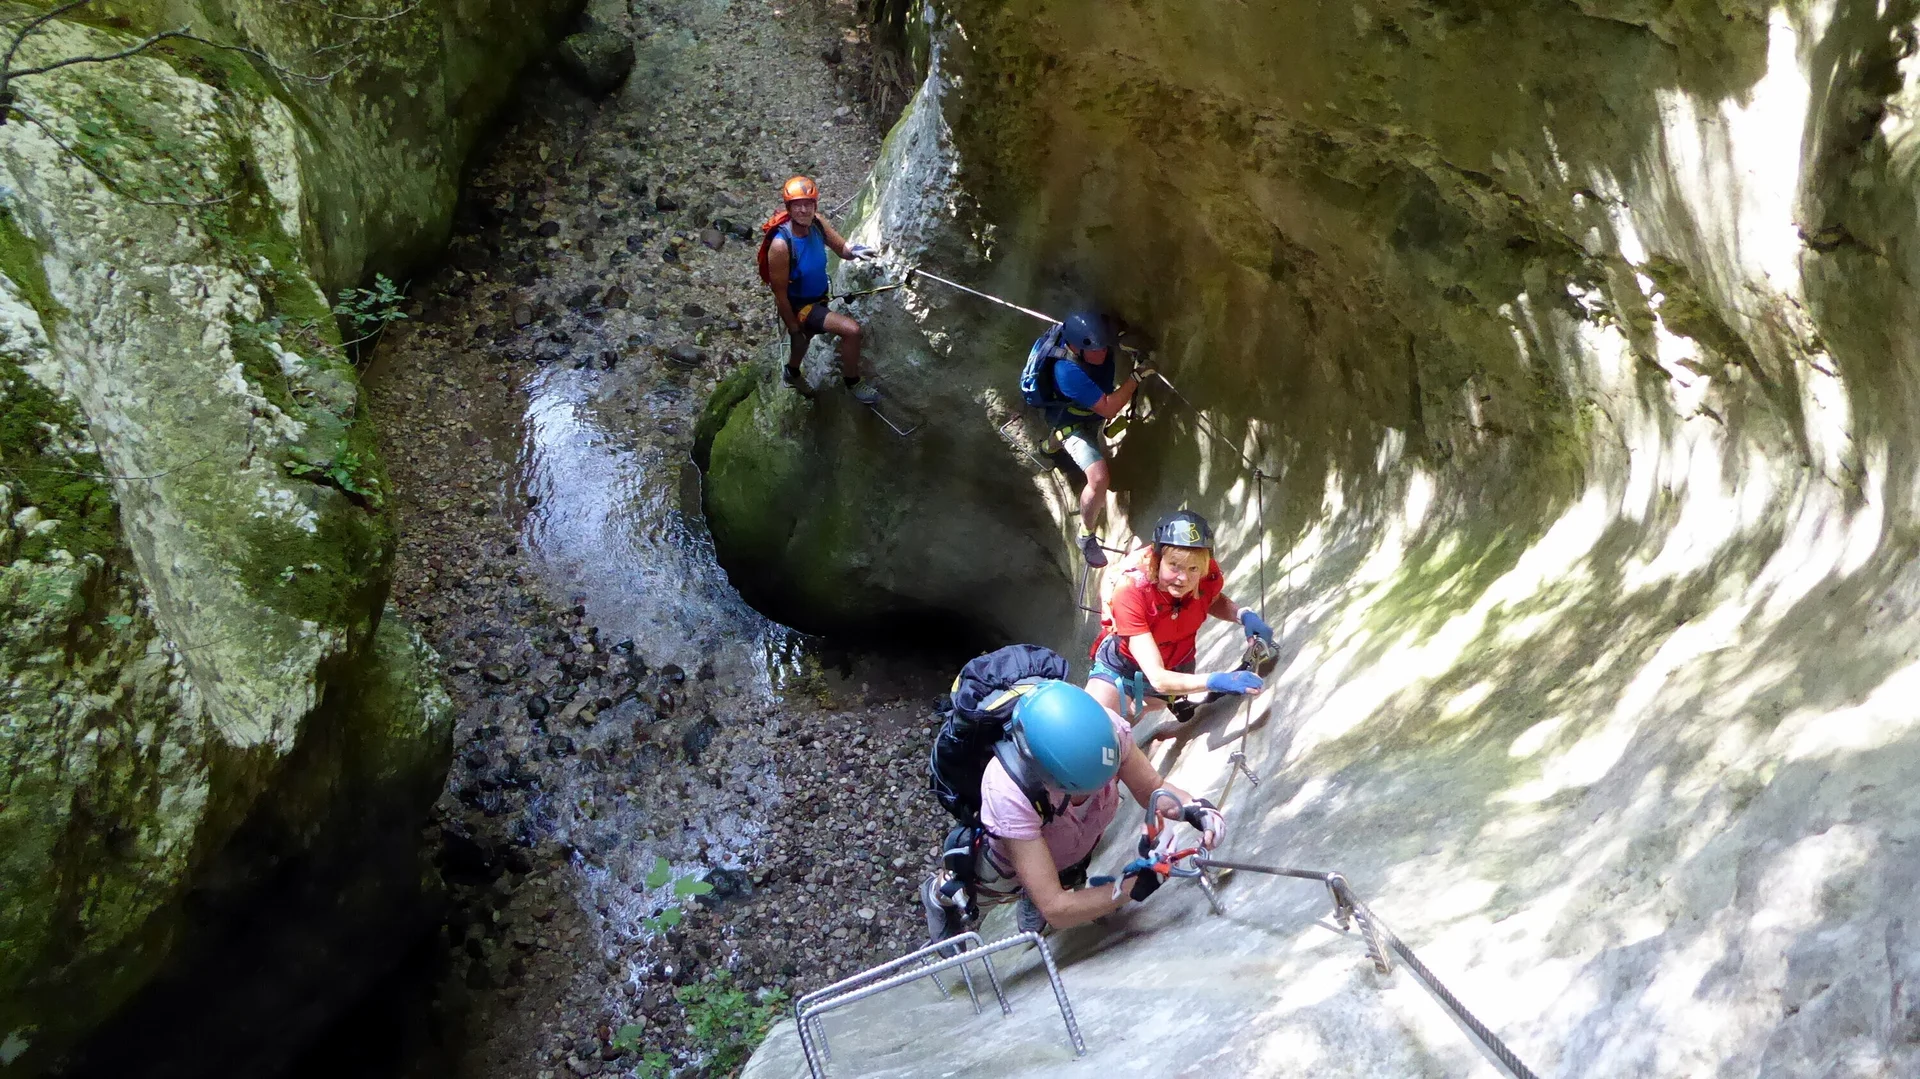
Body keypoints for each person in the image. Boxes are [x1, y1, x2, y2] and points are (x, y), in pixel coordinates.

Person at [920, 679, 1227, 941]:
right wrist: (1131, 888)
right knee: (978, 896)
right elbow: (1056, 909)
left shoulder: (1107, 731)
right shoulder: (1008, 788)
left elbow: (1152, 789)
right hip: (1007, 861)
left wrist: (1194, 808)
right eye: (1083, 790)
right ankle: (939, 896)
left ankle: (1034, 891)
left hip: (1071, 844)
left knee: (1059, 877)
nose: (1099, 790)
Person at [1086, 510, 1273, 740]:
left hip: (1177, 664)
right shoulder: (1131, 592)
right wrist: (1216, 681)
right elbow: (1158, 677)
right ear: (1157, 560)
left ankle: (1154, 704)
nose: (1183, 577)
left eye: (1193, 569)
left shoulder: (1203, 572)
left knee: (1142, 710)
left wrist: (1243, 615)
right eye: (1174, 565)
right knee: (1095, 733)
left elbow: (1209, 598)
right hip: (1123, 669)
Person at [1030, 311, 1150, 567]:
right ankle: (1086, 536)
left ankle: (1047, 449)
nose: (1103, 353)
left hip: (1079, 410)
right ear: (1076, 347)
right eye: (1095, 349)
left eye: (1104, 346)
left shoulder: (1092, 338)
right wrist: (1137, 376)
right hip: (1071, 421)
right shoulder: (1067, 372)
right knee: (1099, 478)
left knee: (1057, 440)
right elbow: (1108, 408)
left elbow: (1115, 337)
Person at [761, 175, 878, 402]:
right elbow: (780, 295)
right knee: (851, 330)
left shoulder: (817, 223)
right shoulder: (780, 245)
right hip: (801, 306)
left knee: (804, 340)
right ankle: (853, 383)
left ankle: (792, 373)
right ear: (789, 208)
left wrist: (856, 251)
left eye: (808, 204)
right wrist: (793, 327)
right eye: (797, 205)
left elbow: (841, 248)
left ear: (815, 205)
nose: (803, 210)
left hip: (820, 297)